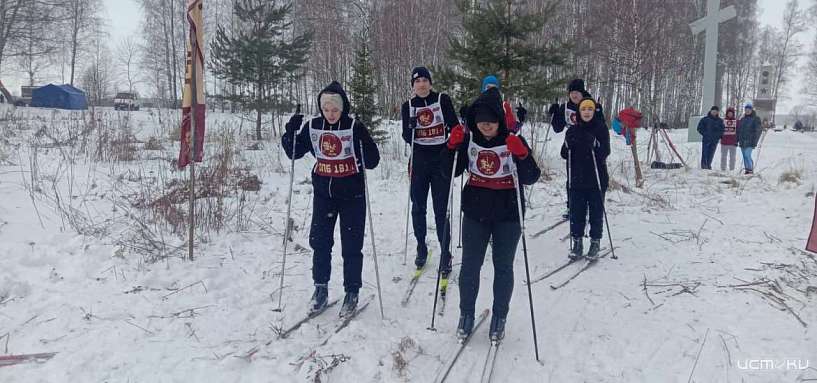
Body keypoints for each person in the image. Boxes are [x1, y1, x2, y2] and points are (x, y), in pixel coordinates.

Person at [442, 87, 541, 341]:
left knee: (503, 266)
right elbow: (449, 172)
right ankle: (466, 314)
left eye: (491, 121)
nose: (486, 126)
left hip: (508, 213)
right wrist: (451, 147)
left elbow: (532, 176)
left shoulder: (512, 140)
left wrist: (522, 154)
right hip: (476, 211)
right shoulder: (470, 140)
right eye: (481, 121)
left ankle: (500, 315)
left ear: (499, 120)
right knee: (470, 266)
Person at [282, 81, 380, 318]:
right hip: (324, 194)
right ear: (321, 108)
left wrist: (364, 146)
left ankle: (352, 291)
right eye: (326, 109)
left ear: (343, 108)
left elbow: (373, 160)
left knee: (352, 244)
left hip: (352, 195)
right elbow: (293, 152)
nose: (331, 114)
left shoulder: (354, 126)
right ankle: (320, 288)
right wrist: (290, 132)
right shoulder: (313, 126)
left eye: (335, 109)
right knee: (320, 241)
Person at [401, 67, 462, 274]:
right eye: (417, 81)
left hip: (440, 159)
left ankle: (445, 252)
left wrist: (453, 141)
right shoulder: (408, 106)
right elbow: (405, 136)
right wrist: (410, 128)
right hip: (419, 160)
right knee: (418, 206)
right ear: (413, 85)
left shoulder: (442, 100)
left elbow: (454, 126)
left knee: (440, 208)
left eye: (425, 80)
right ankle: (421, 245)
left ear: (430, 83)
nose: (422, 84)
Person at [560, 97, 610, 261]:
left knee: (596, 212)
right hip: (577, 179)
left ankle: (595, 242)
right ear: (579, 112)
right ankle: (577, 242)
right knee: (576, 213)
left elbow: (605, 152)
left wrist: (595, 143)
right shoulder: (572, 130)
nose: (587, 112)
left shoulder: (601, 128)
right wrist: (567, 144)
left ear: (593, 111)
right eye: (583, 109)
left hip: (596, 179)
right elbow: (563, 154)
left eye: (589, 109)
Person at [549, 79, 604, 219]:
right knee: (572, 178)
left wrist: (599, 112)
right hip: (572, 146)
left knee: (590, 178)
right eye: (571, 92)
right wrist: (554, 114)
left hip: (589, 147)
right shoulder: (565, 107)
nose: (574, 95)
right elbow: (557, 128)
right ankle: (572, 206)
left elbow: (601, 126)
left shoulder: (589, 104)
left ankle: (591, 206)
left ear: (582, 92)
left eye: (577, 92)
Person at [696, 106, 724, 170]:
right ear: (711, 111)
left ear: (717, 112)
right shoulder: (705, 119)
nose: (714, 112)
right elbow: (699, 128)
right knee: (705, 153)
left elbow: (722, 130)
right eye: (713, 111)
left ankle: (708, 165)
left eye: (716, 111)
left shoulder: (720, 121)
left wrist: (719, 136)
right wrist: (705, 134)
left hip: (714, 140)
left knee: (711, 154)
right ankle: (704, 166)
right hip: (706, 140)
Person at [737, 103, 762, 175]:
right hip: (742, 141)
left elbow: (758, 131)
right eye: (746, 109)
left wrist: (755, 141)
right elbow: (739, 130)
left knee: (747, 155)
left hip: (750, 141)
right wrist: (737, 139)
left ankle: (750, 169)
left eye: (749, 109)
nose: (747, 111)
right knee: (744, 156)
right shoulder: (742, 119)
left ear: (751, 110)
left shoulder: (756, 119)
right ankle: (747, 170)